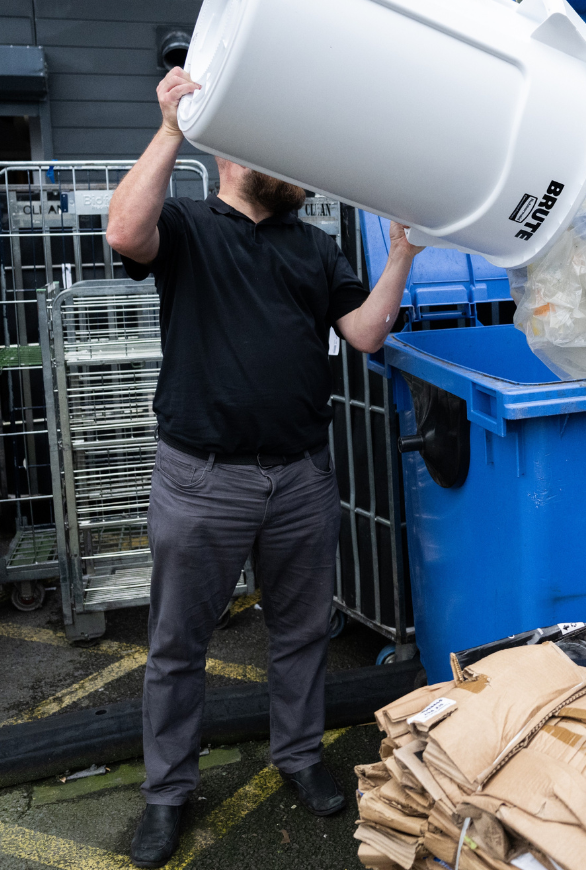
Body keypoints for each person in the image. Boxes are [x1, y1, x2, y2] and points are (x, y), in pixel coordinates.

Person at [106, 68, 423, 868]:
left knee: (301, 635)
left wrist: (402, 256)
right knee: (178, 644)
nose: (298, 169)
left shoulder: (312, 247)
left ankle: (299, 757)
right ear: (234, 158)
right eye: (278, 152)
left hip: (299, 478)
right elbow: (122, 234)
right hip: (201, 477)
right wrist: (173, 125)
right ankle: (167, 794)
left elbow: (366, 335)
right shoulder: (186, 228)